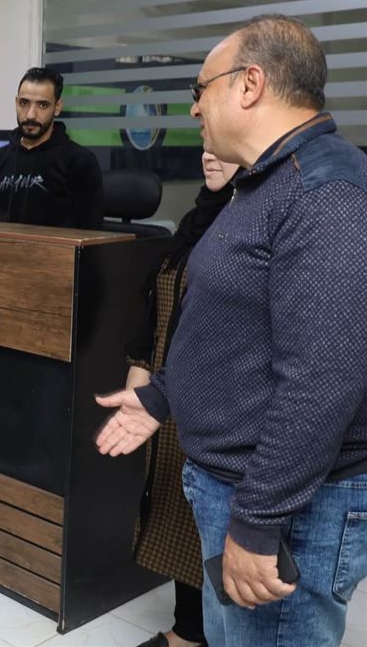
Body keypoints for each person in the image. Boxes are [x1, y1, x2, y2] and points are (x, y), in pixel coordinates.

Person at [96, 14, 367, 647]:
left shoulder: (324, 192)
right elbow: (232, 320)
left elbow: (323, 381)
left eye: (202, 89)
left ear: (250, 84)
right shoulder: (265, 180)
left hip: (283, 505)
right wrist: (163, 394)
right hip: (236, 487)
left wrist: (259, 520)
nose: (195, 109)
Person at [125, 151, 239, 647]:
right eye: (205, 145)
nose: (208, 154)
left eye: (221, 147)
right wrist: (140, 361)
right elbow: (160, 294)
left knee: (212, 523)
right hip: (171, 390)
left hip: (217, 399)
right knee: (177, 511)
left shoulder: (255, 220)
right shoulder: (199, 218)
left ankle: (209, 634)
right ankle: (188, 631)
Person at [0, 67, 103, 228]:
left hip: (56, 245)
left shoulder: (80, 161)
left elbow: (91, 233)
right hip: (6, 245)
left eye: (43, 105)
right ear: (16, 102)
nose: (31, 114)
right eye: (24, 103)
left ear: (57, 107)